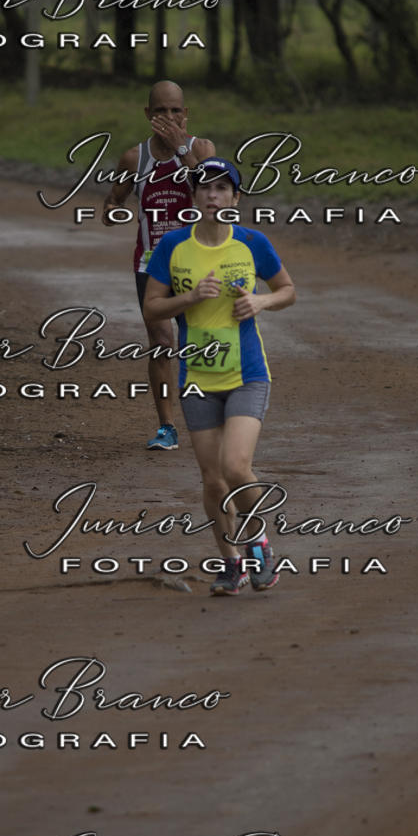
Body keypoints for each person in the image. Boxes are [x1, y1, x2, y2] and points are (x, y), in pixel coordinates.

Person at [143, 157, 296, 595]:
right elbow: (152, 307)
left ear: (236, 197)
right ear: (193, 197)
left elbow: (288, 290)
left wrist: (260, 302)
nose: (213, 195)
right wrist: (188, 297)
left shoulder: (252, 242)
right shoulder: (172, 246)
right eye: (205, 187)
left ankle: (259, 543)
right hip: (197, 377)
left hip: (247, 373)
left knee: (235, 466)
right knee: (212, 479)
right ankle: (232, 564)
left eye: (222, 188)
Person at [102, 81, 215, 450]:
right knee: (162, 343)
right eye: (160, 111)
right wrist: (113, 209)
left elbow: (210, 194)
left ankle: (208, 418)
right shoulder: (134, 159)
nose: (168, 117)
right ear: (147, 114)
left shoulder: (202, 149)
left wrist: (183, 149)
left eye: (175, 111)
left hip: (197, 262)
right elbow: (113, 201)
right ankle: (167, 426)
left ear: (186, 114)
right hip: (151, 264)